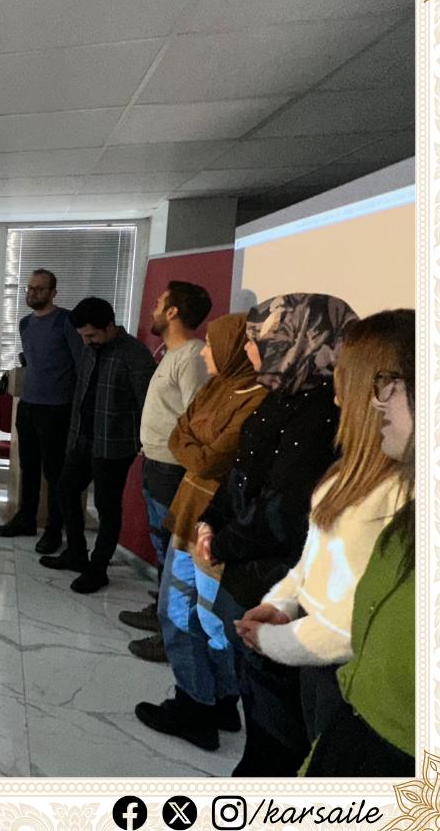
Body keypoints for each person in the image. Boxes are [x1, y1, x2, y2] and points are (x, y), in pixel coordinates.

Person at [195, 293, 357, 776]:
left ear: (297, 342)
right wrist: (211, 517)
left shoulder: (323, 412)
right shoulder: (282, 394)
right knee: (256, 694)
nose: (250, 350)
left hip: (278, 580)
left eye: (260, 341)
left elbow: (285, 511)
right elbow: (244, 470)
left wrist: (222, 542)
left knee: (276, 718)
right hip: (248, 568)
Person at [235, 311, 408, 749]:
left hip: (335, 660)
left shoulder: (399, 493)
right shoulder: (345, 470)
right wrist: (282, 603)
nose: (336, 396)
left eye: (345, 380)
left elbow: (357, 618)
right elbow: (313, 558)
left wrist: (275, 640)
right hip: (309, 646)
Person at [133, 313, 267, 751]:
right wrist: (194, 446)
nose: (205, 352)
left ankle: (197, 705)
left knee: (192, 613)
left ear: (233, 349)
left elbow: (209, 460)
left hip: (214, 519)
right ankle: (217, 698)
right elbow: (180, 434)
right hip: (190, 508)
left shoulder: (257, 400)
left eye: (213, 344)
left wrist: (193, 446)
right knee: (191, 609)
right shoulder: (216, 387)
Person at [305, 310, 415, 776]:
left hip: (347, 675)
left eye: (388, 385)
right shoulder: (356, 467)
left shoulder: (400, 492)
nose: (376, 401)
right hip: (337, 674)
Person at [40, 297, 155, 594]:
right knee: (65, 490)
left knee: (107, 506)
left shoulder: (135, 355)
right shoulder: (89, 350)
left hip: (115, 445)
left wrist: (141, 441)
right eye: (82, 336)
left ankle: (98, 568)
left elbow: (148, 404)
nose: (86, 341)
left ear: (111, 326)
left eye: (91, 335)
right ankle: (76, 552)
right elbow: (81, 393)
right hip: (83, 438)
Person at [124, 281, 212, 662]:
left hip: (173, 471)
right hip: (156, 465)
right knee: (164, 551)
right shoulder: (171, 353)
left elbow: (197, 417)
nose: (154, 308)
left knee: (178, 558)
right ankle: (162, 614)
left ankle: (172, 635)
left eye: (160, 303)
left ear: (173, 312)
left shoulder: (191, 356)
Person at [0, 269, 84, 547]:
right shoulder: (25, 324)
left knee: (54, 472)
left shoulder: (66, 321)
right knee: (28, 466)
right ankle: (26, 519)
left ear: (53, 293)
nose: (33, 293)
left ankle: (54, 530)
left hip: (57, 408)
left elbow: (81, 365)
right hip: (28, 405)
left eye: (40, 289)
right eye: (30, 288)